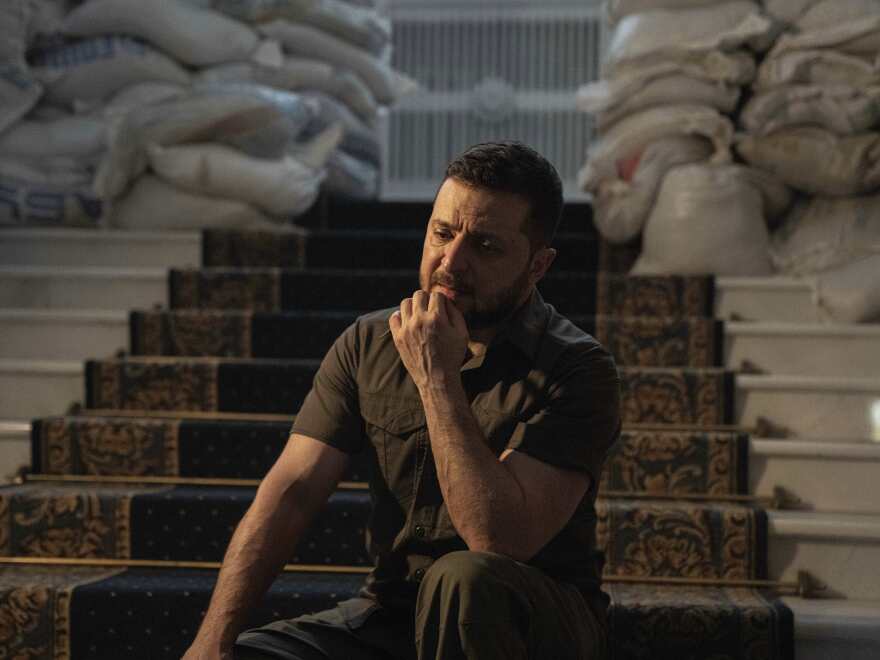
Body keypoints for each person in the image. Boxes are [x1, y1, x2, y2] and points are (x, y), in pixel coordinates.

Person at [182, 141, 621, 660]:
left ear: (538, 265)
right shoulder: (368, 343)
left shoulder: (578, 368)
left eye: (485, 246)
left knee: (465, 577)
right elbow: (293, 492)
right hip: (395, 611)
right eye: (442, 233)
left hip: (529, 620)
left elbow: (499, 539)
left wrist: (436, 377)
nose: (450, 262)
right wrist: (212, 641)